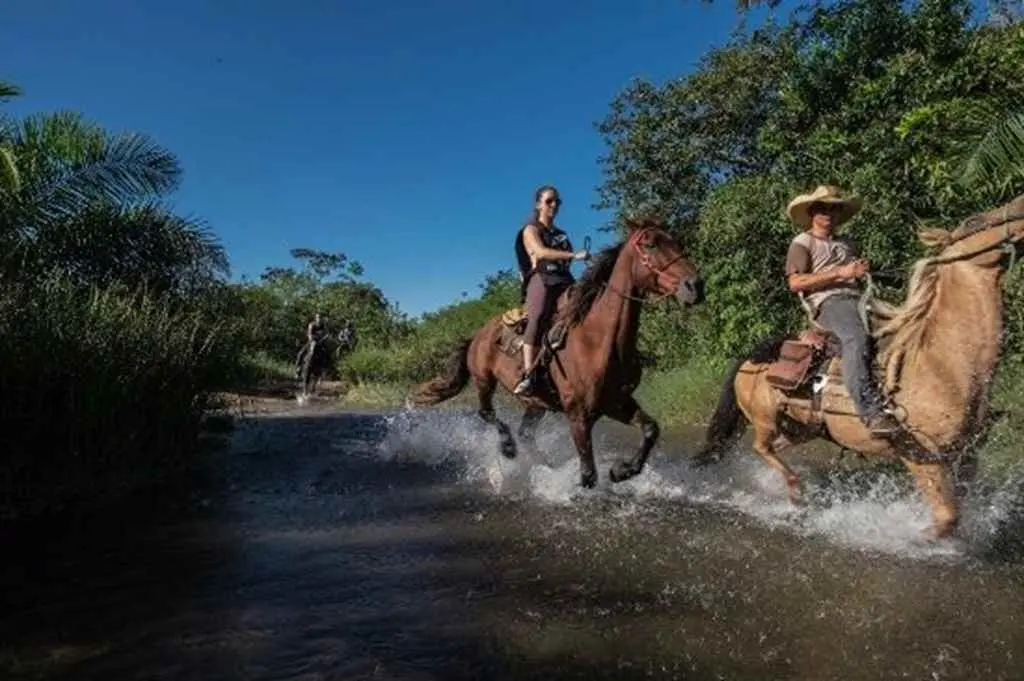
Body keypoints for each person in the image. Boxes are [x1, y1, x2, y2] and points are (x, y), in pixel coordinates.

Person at [784, 185, 900, 437]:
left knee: (904, 326)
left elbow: (855, 273)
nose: (828, 213)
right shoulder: (802, 243)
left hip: (860, 299)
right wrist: (840, 272)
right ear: (812, 212)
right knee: (855, 338)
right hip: (828, 302)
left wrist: (862, 269)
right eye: (823, 208)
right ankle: (870, 411)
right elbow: (795, 283)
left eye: (834, 209)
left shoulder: (848, 243)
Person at [512, 185, 589, 396]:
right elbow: (541, 252)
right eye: (549, 201)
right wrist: (574, 255)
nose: (554, 205)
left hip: (564, 279)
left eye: (557, 201)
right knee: (537, 316)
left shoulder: (561, 234)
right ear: (539, 204)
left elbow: (565, 261)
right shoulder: (530, 229)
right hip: (542, 278)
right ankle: (528, 375)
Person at [295, 312, 329, 377]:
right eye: (318, 317)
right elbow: (309, 333)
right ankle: (298, 369)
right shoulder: (312, 324)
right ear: (315, 318)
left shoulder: (323, 325)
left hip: (321, 342)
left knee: (327, 354)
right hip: (312, 341)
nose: (319, 319)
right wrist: (311, 339)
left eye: (320, 317)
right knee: (300, 354)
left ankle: (325, 370)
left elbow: (327, 334)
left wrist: (323, 339)